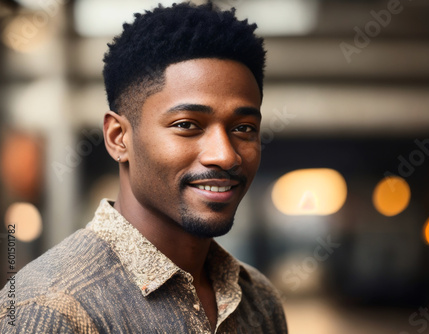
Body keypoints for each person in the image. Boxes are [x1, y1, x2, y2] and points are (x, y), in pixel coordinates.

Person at [0, 2, 288, 333]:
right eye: (187, 124)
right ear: (118, 137)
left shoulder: (260, 300)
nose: (225, 156)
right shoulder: (49, 309)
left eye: (243, 129)